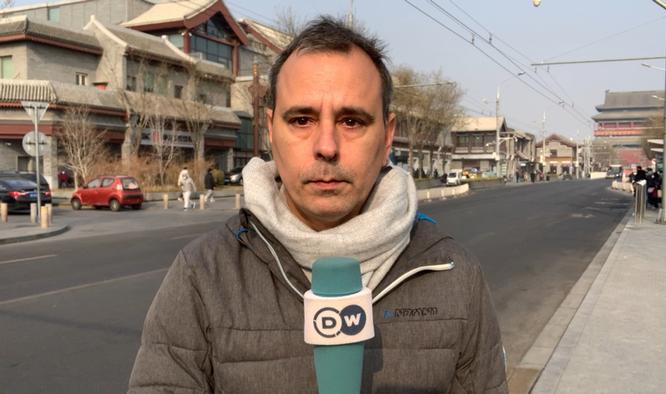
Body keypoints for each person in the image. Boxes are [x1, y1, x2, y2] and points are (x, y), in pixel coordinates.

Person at [128, 16, 507, 393]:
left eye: (352, 121)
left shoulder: (451, 274)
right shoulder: (202, 276)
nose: (327, 146)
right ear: (272, 130)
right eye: (303, 119)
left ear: (387, 136)